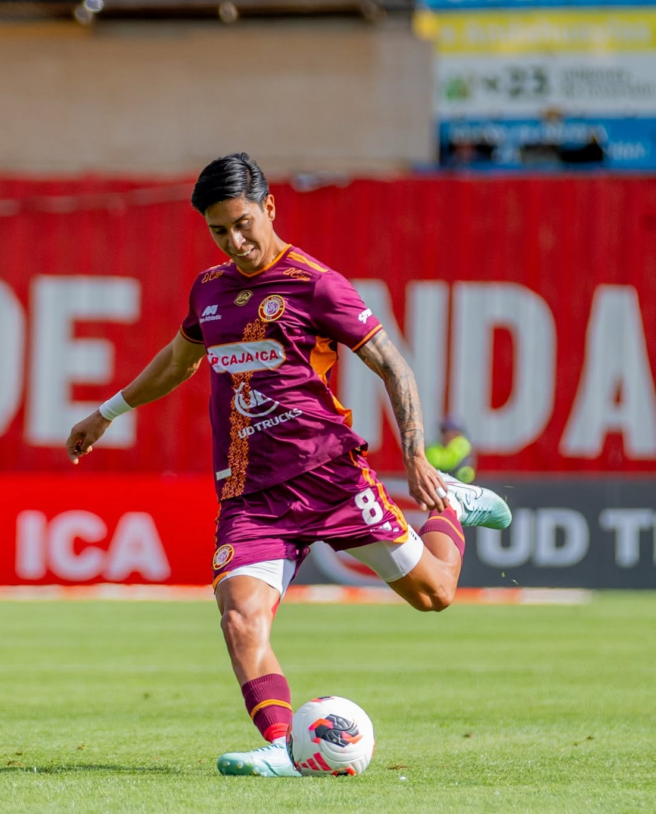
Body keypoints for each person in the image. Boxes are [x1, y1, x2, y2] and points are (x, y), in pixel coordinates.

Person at [65, 153, 512, 778]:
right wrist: (107, 412)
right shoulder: (209, 289)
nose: (235, 241)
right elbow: (177, 362)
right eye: (219, 230)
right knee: (239, 616)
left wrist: (415, 454)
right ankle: (280, 746)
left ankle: (451, 506)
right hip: (251, 495)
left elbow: (393, 365)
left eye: (243, 223)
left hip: (330, 477)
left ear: (269, 208)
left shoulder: (316, 284)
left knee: (434, 595)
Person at [426, 416, 477, 484]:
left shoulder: (463, 445)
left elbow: (451, 465)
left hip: (460, 483)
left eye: (453, 431)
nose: (448, 434)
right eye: (445, 430)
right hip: (437, 482)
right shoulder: (433, 447)